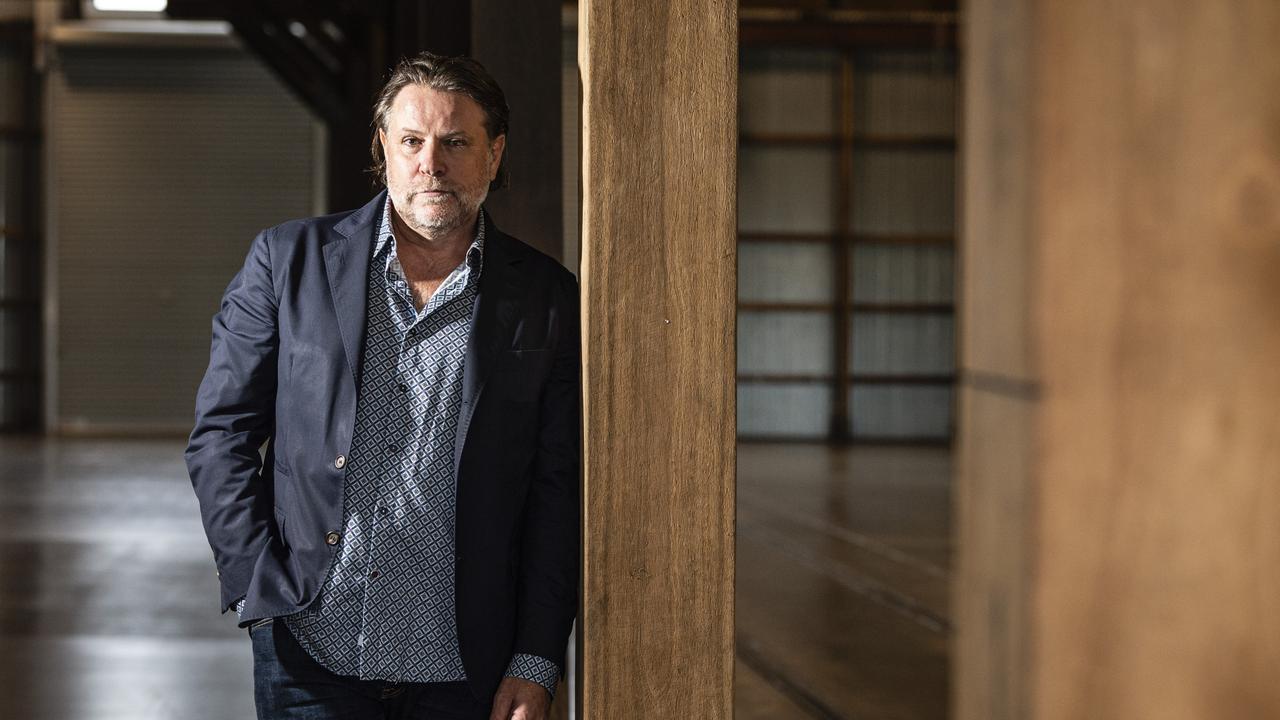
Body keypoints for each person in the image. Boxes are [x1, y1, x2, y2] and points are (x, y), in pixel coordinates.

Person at [185, 51, 579, 720]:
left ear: (495, 153)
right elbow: (221, 437)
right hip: (312, 654)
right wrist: (257, 583)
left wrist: (537, 657)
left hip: (466, 670)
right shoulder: (288, 263)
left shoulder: (545, 296)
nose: (433, 162)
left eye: (456, 142)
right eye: (413, 141)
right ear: (384, 149)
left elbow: (558, 485)